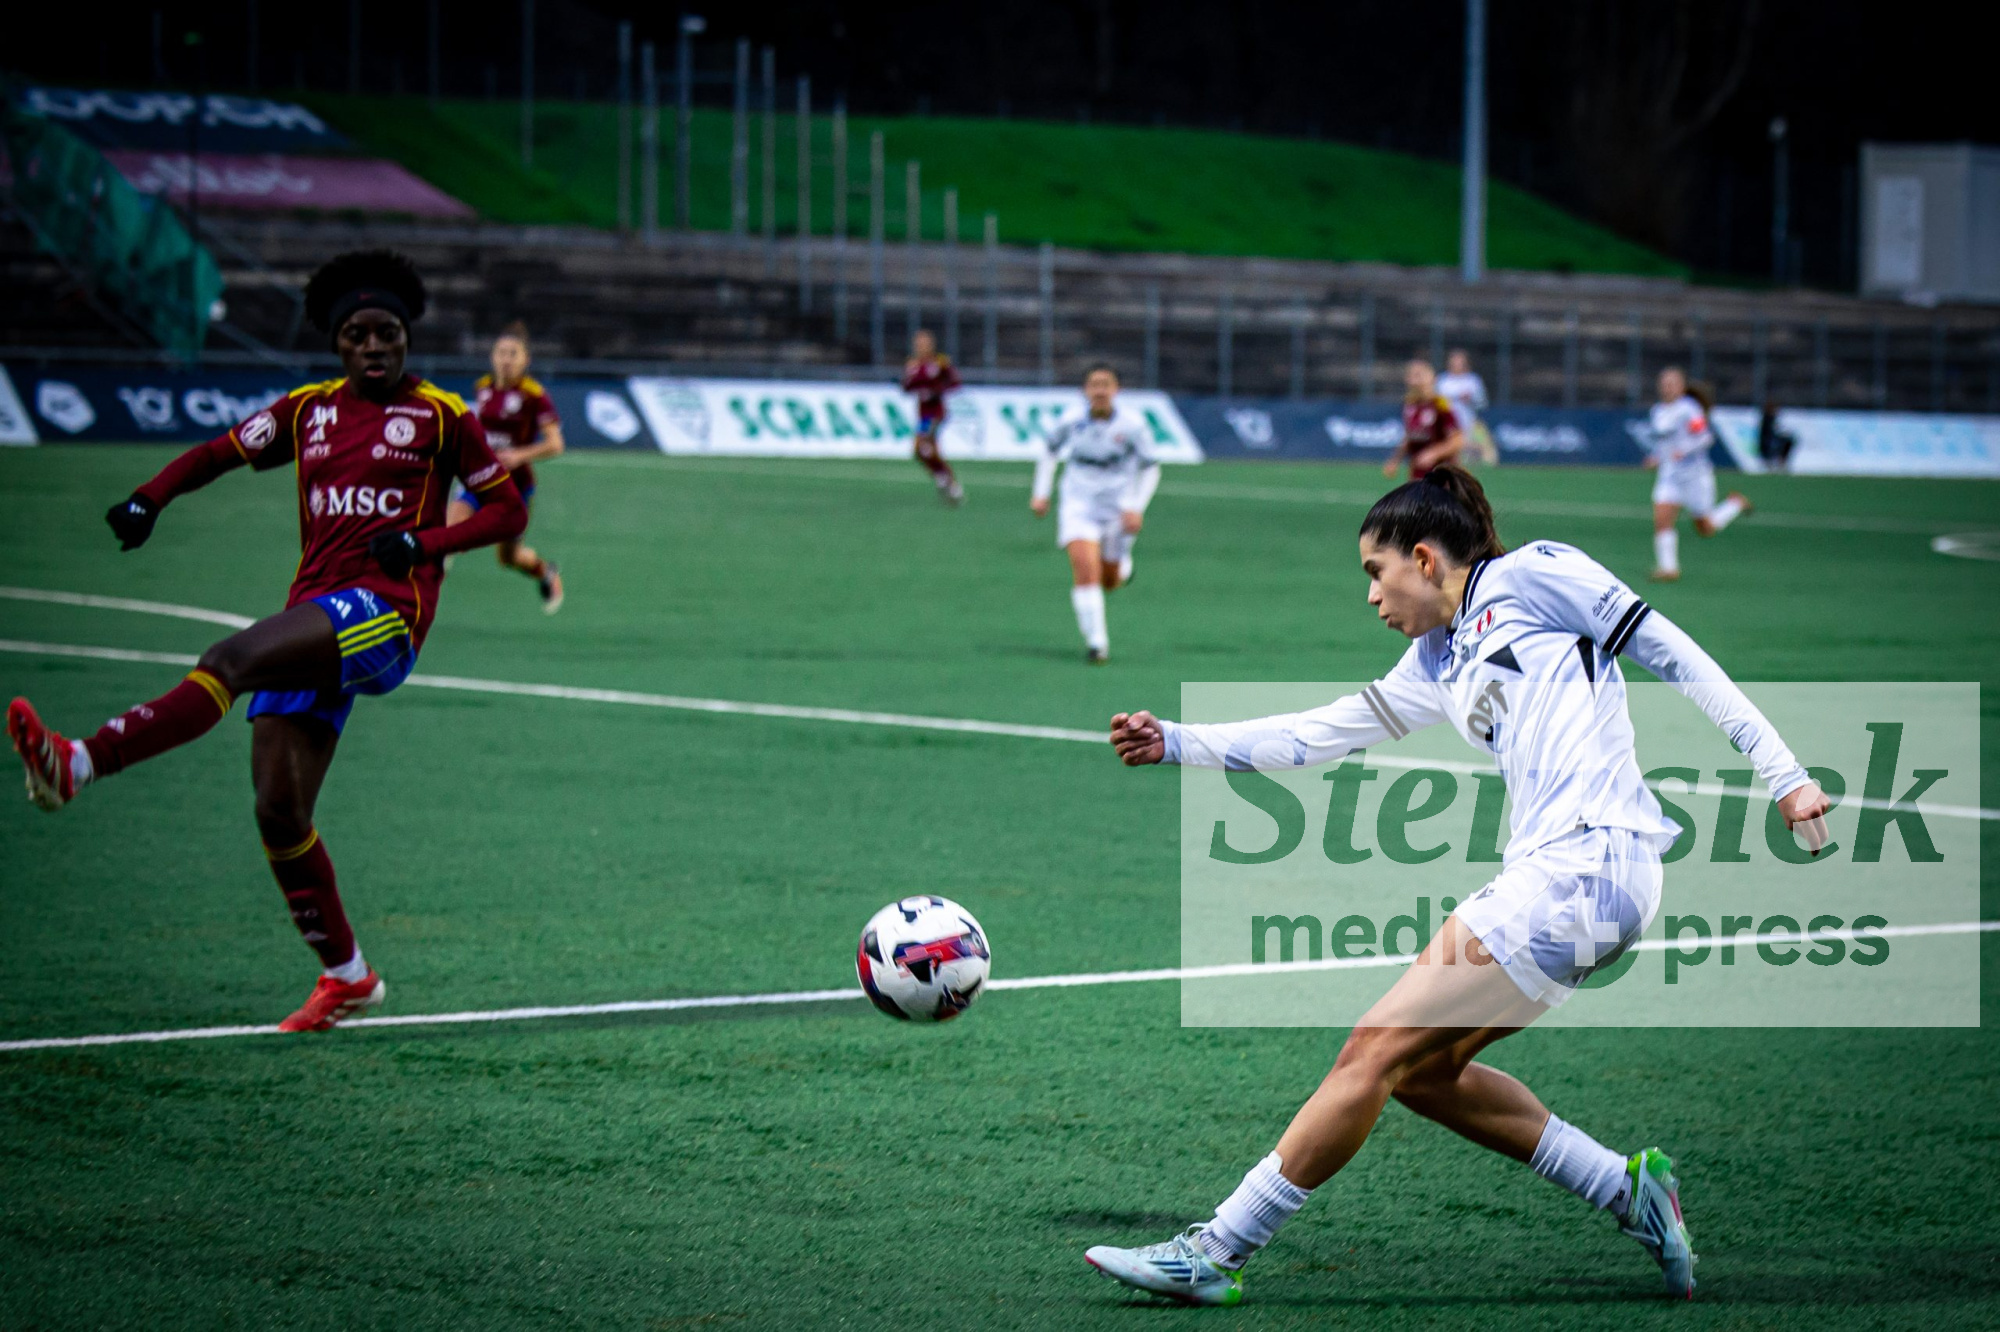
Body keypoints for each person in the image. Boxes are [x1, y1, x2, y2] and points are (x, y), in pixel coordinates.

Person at [1082, 466, 1830, 1307]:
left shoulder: (1533, 574)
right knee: (1423, 1073)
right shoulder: (1436, 656)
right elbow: (1316, 734)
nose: (1371, 595)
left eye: (1376, 571)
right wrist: (1177, 741)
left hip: (1585, 864)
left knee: (1372, 1049)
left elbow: (1672, 652)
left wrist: (1784, 774)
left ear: (1425, 559)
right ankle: (1628, 1191)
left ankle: (1216, 1251)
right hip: (1579, 881)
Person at [6, 250, 527, 1033]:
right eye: (358, 334)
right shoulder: (307, 410)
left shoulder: (443, 415)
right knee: (280, 811)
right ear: (337, 344)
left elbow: (507, 510)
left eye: (388, 332)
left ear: (406, 337)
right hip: (315, 615)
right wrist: (150, 499)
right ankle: (348, 977)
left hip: (385, 616)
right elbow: (216, 453)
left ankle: (79, 763)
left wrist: (423, 545)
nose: (375, 346)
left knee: (230, 660)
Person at [1031, 363, 1161, 664]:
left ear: (1116, 390)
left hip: (1118, 507)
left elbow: (1151, 468)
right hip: (1078, 504)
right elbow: (1049, 451)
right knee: (1085, 569)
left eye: (1106, 384)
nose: (1100, 391)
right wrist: (1041, 493)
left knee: (1110, 581)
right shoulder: (1071, 420)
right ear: (1085, 390)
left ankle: (1122, 565)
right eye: (1094, 384)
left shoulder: (1133, 425)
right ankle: (1097, 643)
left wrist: (1136, 507)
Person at [446, 322, 565, 613]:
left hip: (515, 487)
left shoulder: (534, 395)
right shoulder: (482, 388)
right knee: (448, 533)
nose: (506, 359)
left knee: (508, 558)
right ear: (492, 356)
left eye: (513, 354)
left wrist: (519, 455)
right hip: (479, 480)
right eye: (501, 353)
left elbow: (555, 444)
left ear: (526, 360)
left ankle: (546, 572)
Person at [1645, 368, 1753, 582]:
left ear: (1681, 387)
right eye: (1664, 383)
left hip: (1695, 475)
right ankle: (1669, 569)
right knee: (1662, 518)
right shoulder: (1657, 411)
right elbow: (1663, 444)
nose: (1667, 388)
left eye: (1672, 383)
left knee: (1705, 528)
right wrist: (1656, 457)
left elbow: (1704, 438)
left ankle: (1735, 504)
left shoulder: (1689, 409)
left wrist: (1684, 450)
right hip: (1670, 475)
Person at [902, 329, 964, 506]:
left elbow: (955, 382)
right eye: (918, 344)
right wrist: (909, 379)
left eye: (924, 344)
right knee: (921, 450)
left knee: (924, 444)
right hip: (923, 415)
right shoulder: (913, 365)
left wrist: (936, 391)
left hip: (937, 413)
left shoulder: (939, 362)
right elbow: (906, 387)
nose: (921, 347)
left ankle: (946, 479)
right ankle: (944, 478)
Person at [1382, 358, 1465, 481]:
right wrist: (1395, 460)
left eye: (1418, 375)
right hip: (1418, 475)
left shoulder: (1440, 404)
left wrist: (1434, 453)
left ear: (1432, 378)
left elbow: (1457, 440)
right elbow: (1410, 436)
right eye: (1410, 376)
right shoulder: (1409, 404)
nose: (1413, 381)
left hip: (1442, 475)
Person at [1436, 348, 1499, 466]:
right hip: (1446, 422)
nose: (1456, 364)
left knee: (1464, 454)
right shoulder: (1442, 381)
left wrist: (1470, 399)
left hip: (1466, 422)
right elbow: (1435, 402)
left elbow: (1482, 403)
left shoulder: (1473, 381)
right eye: (1453, 361)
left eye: (1459, 362)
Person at [1757, 401, 1797, 472]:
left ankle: (1781, 462)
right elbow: (1770, 433)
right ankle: (1780, 462)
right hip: (1768, 443)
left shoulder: (1771, 418)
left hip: (1771, 441)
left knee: (1788, 440)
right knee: (1787, 441)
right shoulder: (1767, 419)